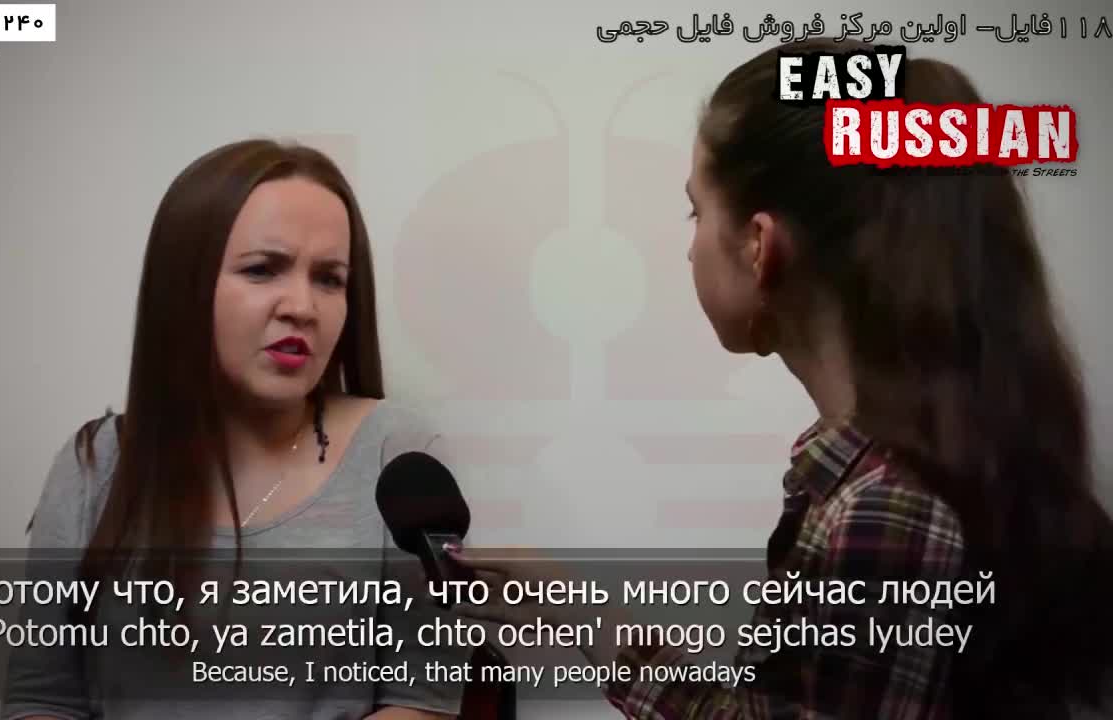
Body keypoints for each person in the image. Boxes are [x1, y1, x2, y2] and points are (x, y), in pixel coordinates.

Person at [448, 39, 1113, 718]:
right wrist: (581, 615)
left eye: (696, 211)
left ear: (758, 245)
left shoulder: (884, 509)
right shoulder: (882, 479)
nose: (689, 248)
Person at [0, 139, 469, 720]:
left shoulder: (398, 456)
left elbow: (423, 700)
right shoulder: (94, 465)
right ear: (185, 286)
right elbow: (40, 700)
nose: (302, 307)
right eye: (262, 269)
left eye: (329, 279)